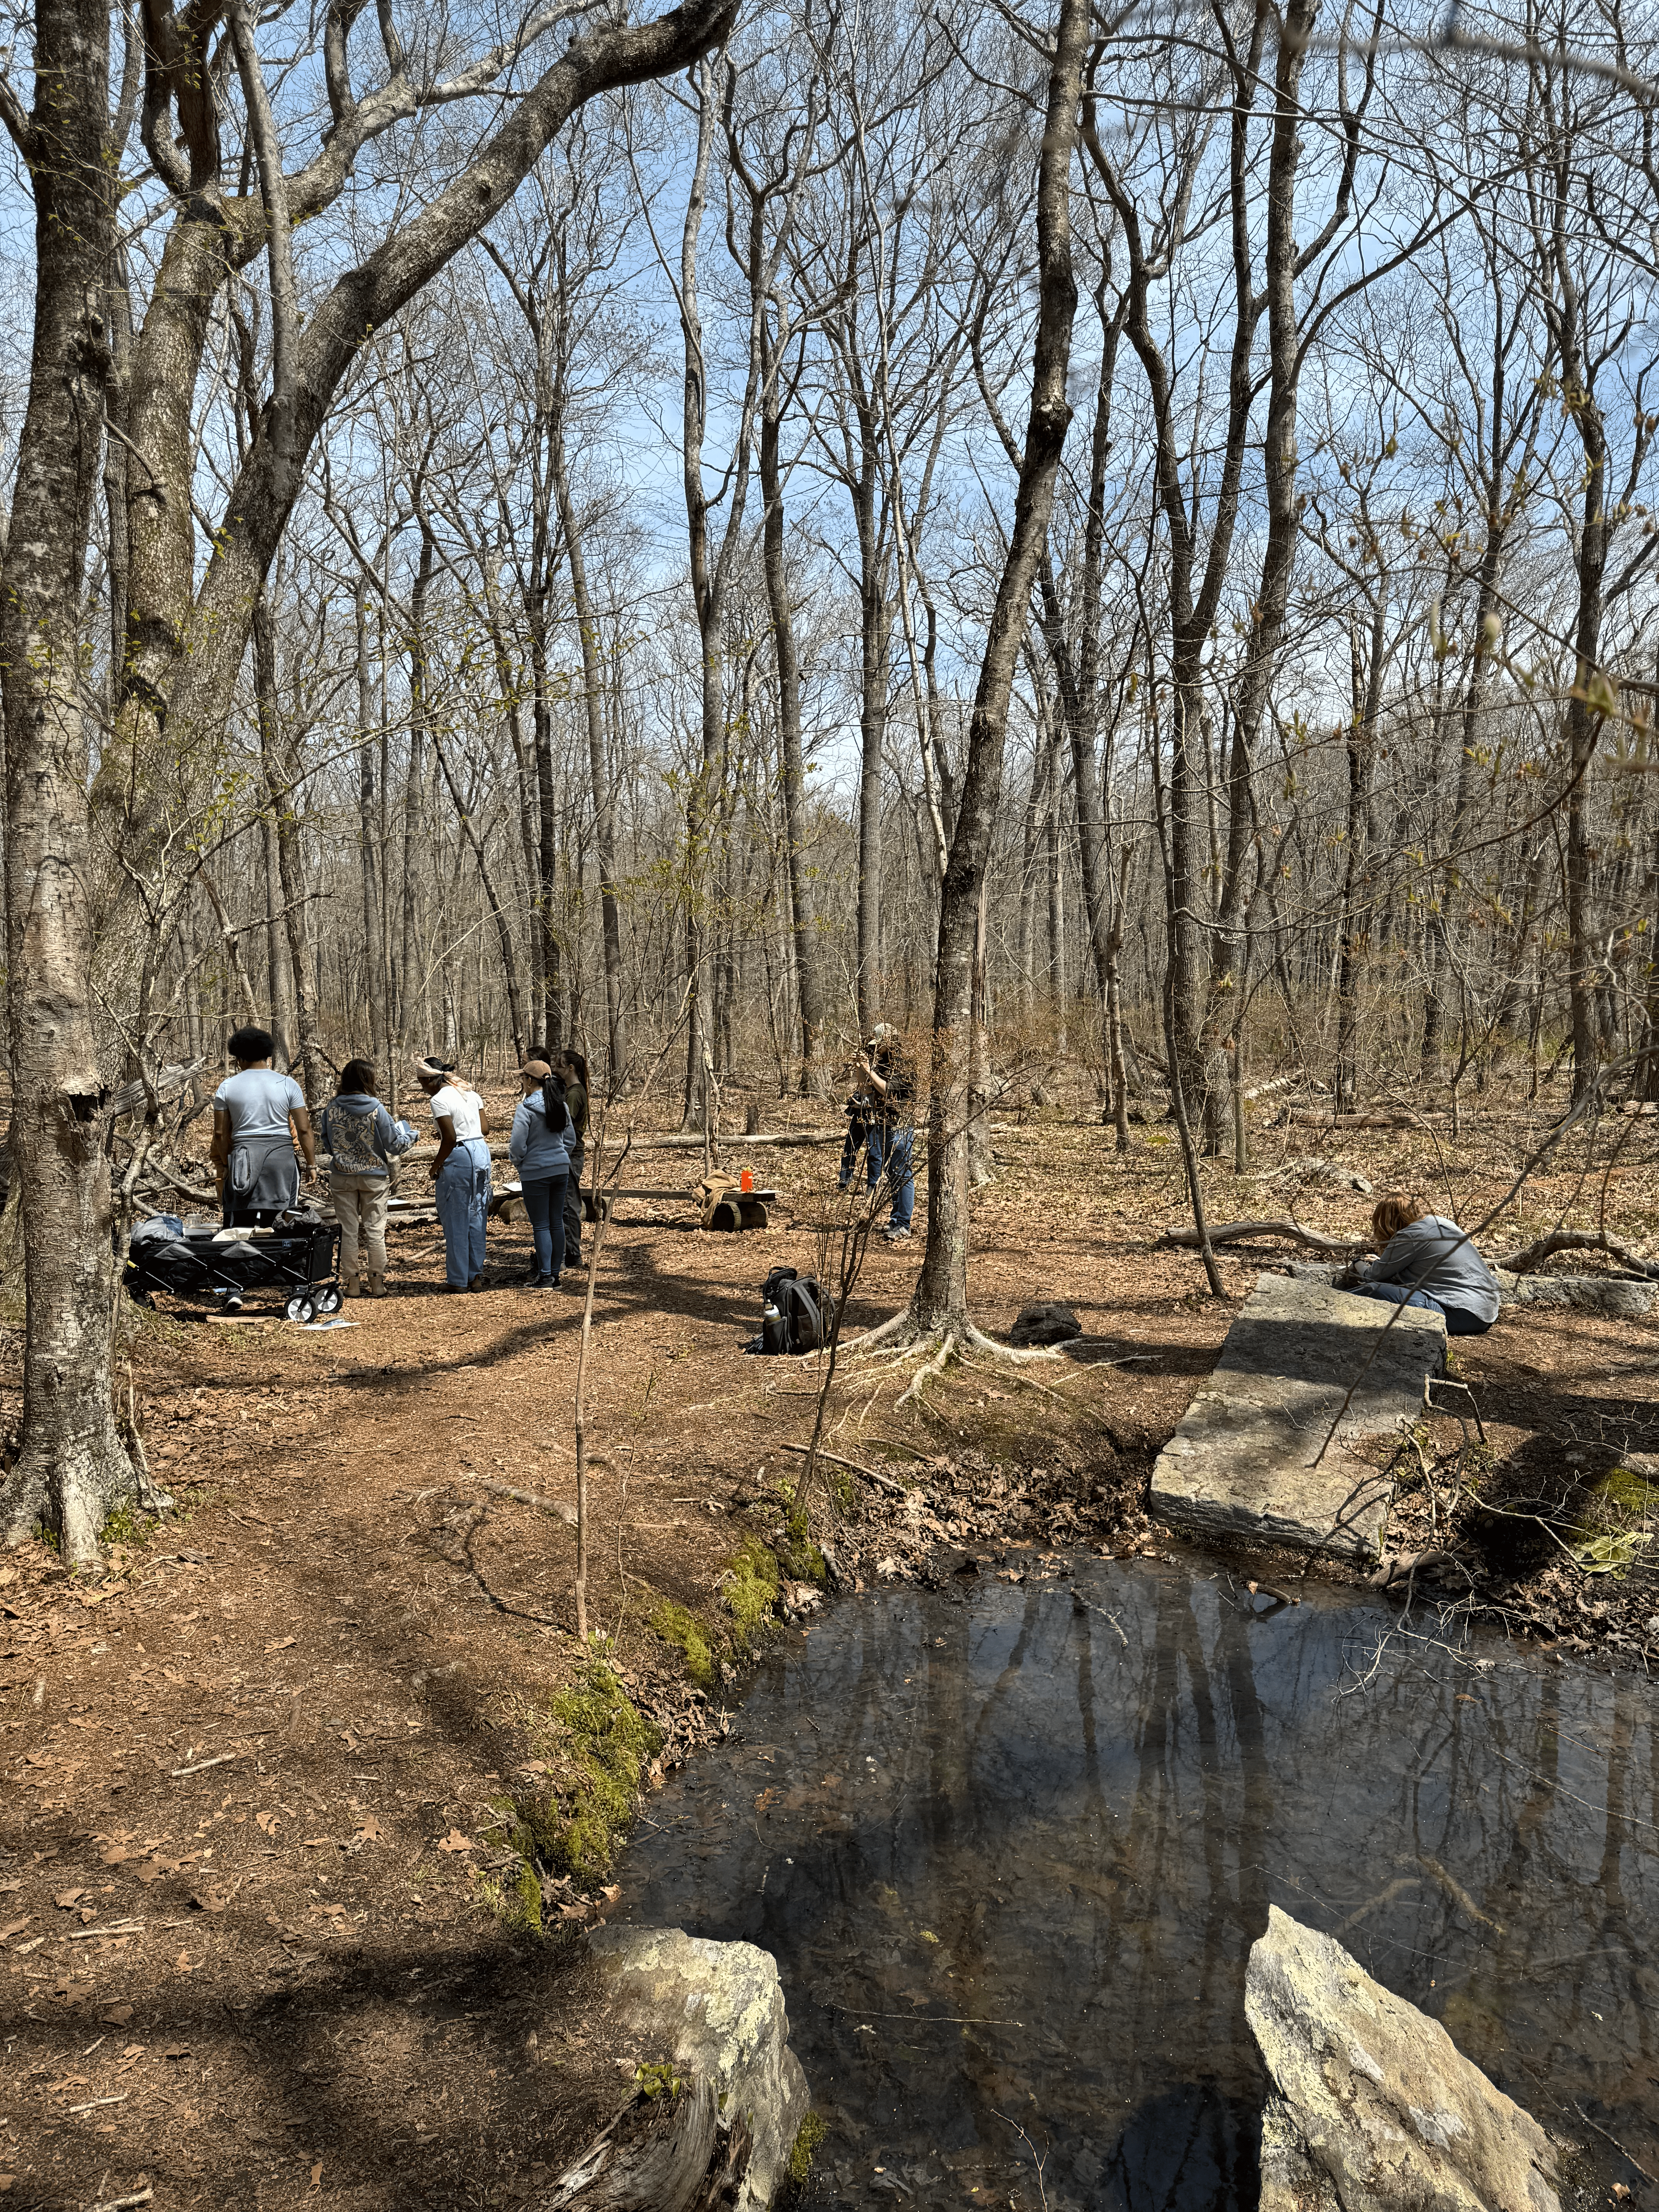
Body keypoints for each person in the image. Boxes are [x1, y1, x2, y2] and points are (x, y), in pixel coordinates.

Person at [318, 1060, 417, 1298]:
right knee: (375, 1230)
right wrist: (412, 1135)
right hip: (374, 1177)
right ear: (367, 1081)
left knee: (348, 1231)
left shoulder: (331, 1109)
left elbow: (328, 1144)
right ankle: (377, 1283)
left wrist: (346, 1155)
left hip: (342, 1176)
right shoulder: (376, 1108)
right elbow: (394, 1145)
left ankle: (352, 1284)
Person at [1345, 1194, 1500, 1336]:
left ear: (1386, 1222)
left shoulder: (1410, 1235)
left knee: (1372, 1290)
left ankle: (1334, 1308)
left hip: (1460, 1315)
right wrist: (1381, 1263)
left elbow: (1372, 1277)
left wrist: (1358, 1262)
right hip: (1487, 1310)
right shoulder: (1443, 1223)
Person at [211, 1026, 316, 1226]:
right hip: (282, 1161)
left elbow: (220, 1134)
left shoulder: (227, 1087)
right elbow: (304, 1130)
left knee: (240, 1225)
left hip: (244, 1161)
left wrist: (225, 1165)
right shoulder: (288, 1084)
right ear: (267, 1055)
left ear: (240, 1057)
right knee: (282, 1223)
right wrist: (311, 1164)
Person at [413, 1056, 493, 1292]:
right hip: (481, 1153)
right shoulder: (470, 1093)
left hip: (459, 1156)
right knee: (477, 1215)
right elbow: (485, 1129)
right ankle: (475, 1276)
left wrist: (436, 1165)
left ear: (430, 1080)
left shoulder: (439, 1100)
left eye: (422, 1082)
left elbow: (450, 1138)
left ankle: (458, 1280)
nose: (422, 1087)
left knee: (456, 1217)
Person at [509, 1060, 572, 1288]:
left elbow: (518, 1146)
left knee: (541, 1225)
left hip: (535, 1173)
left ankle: (546, 1276)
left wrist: (520, 1163)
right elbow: (570, 1141)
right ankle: (554, 1274)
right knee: (556, 1222)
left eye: (523, 1078)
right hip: (560, 1170)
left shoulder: (525, 1108)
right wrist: (559, 1157)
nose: (522, 1082)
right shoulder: (561, 1105)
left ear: (528, 1081)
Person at [857, 1022, 915, 1242]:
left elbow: (889, 1091)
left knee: (902, 1175)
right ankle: (895, 1220)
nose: (877, 1049)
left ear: (890, 1043)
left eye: (880, 1045)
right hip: (884, 1123)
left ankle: (903, 1224)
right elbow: (865, 1089)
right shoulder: (882, 1063)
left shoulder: (904, 1064)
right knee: (893, 1175)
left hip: (900, 1124)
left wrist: (870, 1070)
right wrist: (861, 1067)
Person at [557, 1048, 590, 1271]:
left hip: (572, 1153)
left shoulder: (575, 1094)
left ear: (570, 1069)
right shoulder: (571, 1091)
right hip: (569, 1152)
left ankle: (573, 1255)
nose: (556, 1068)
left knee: (569, 1205)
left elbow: (563, 1124)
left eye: (560, 1065)